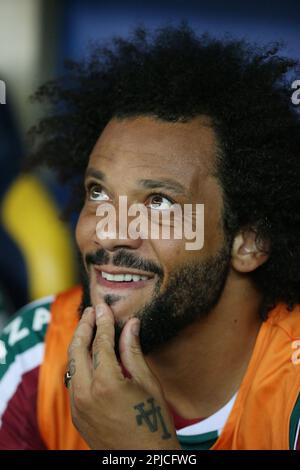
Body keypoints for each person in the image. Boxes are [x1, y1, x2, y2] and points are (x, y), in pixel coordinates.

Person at [0, 25, 300, 450]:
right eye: (98, 193)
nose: (109, 231)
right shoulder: (37, 353)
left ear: (250, 241)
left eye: (158, 202)